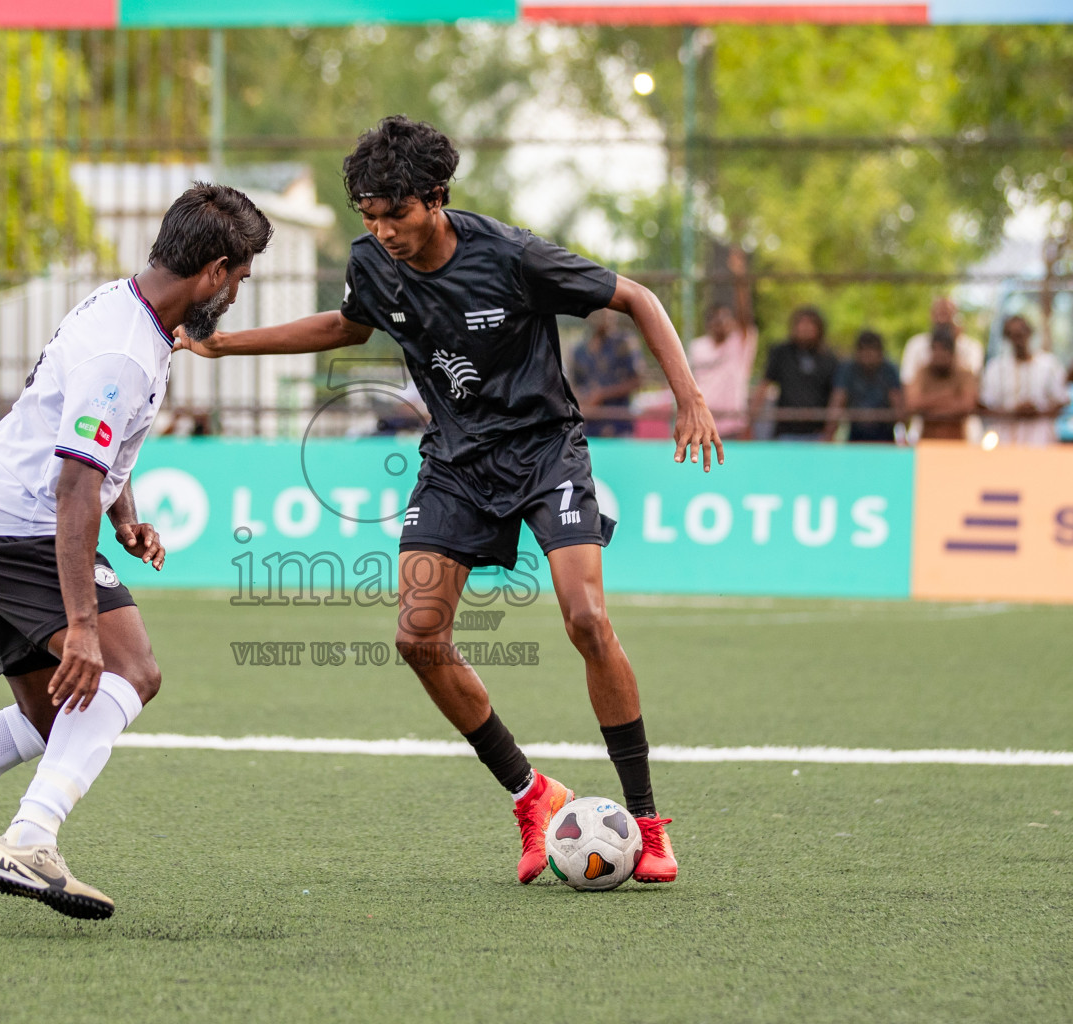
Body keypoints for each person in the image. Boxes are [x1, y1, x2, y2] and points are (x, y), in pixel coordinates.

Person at [176, 116, 722, 887]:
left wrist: (688, 396)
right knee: (416, 636)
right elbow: (345, 324)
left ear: (435, 198)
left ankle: (649, 821)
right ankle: (532, 796)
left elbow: (633, 296)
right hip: (456, 465)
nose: (381, 230)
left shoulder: (512, 254)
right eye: (368, 215)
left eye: (393, 213)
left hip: (544, 452)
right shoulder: (373, 261)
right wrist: (226, 343)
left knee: (586, 619)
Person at [0, 184, 273, 918]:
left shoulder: (127, 308)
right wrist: (86, 627)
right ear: (216, 269)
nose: (237, 294)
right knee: (129, 669)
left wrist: (124, 513)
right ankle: (30, 840)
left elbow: (94, 457)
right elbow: (72, 490)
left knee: (50, 714)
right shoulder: (125, 352)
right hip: (19, 527)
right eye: (241, 278)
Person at [686, 251, 757, 439]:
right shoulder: (697, 347)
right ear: (709, 324)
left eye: (726, 319)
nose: (722, 323)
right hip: (702, 425)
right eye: (717, 320)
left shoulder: (739, 344)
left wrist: (740, 278)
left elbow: (745, 315)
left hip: (734, 427)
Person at [978, 315, 1068, 446]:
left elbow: (1062, 400)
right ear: (1007, 338)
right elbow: (985, 405)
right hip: (1005, 440)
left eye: (1021, 334)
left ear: (1029, 333)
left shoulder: (1049, 364)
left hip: (1041, 439)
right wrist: (1014, 412)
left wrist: (1038, 411)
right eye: (1012, 335)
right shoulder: (996, 367)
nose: (1018, 340)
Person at [749, 306, 838, 439]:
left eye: (810, 324)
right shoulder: (781, 353)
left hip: (817, 434)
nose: (805, 328)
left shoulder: (829, 359)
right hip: (786, 433)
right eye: (801, 323)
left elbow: (837, 397)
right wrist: (750, 423)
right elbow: (763, 386)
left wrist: (829, 432)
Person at [569, 309, 643, 437]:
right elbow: (574, 386)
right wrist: (583, 398)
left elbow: (637, 380)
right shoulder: (579, 350)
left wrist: (602, 394)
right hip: (588, 425)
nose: (603, 315)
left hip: (619, 422)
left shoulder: (624, 343)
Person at [824, 330, 902, 443]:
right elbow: (838, 400)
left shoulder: (889, 370)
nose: (868, 356)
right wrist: (828, 435)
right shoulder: (847, 369)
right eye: (864, 351)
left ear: (881, 353)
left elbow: (897, 402)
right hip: (855, 433)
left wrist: (902, 432)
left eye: (872, 351)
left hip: (884, 434)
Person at [904, 326, 978, 442]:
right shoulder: (922, 373)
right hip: (927, 443)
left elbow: (967, 405)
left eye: (944, 350)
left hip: (957, 443)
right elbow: (912, 403)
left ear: (952, 353)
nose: (939, 355)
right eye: (936, 350)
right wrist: (946, 397)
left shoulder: (965, 374)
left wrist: (929, 408)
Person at [900, 296, 984, 386]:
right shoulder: (915, 344)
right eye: (939, 314)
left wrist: (954, 344)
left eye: (947, 314)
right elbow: (908, 381)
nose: (942, 320)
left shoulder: (972, 347)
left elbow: (973, 380)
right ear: (931, 315)